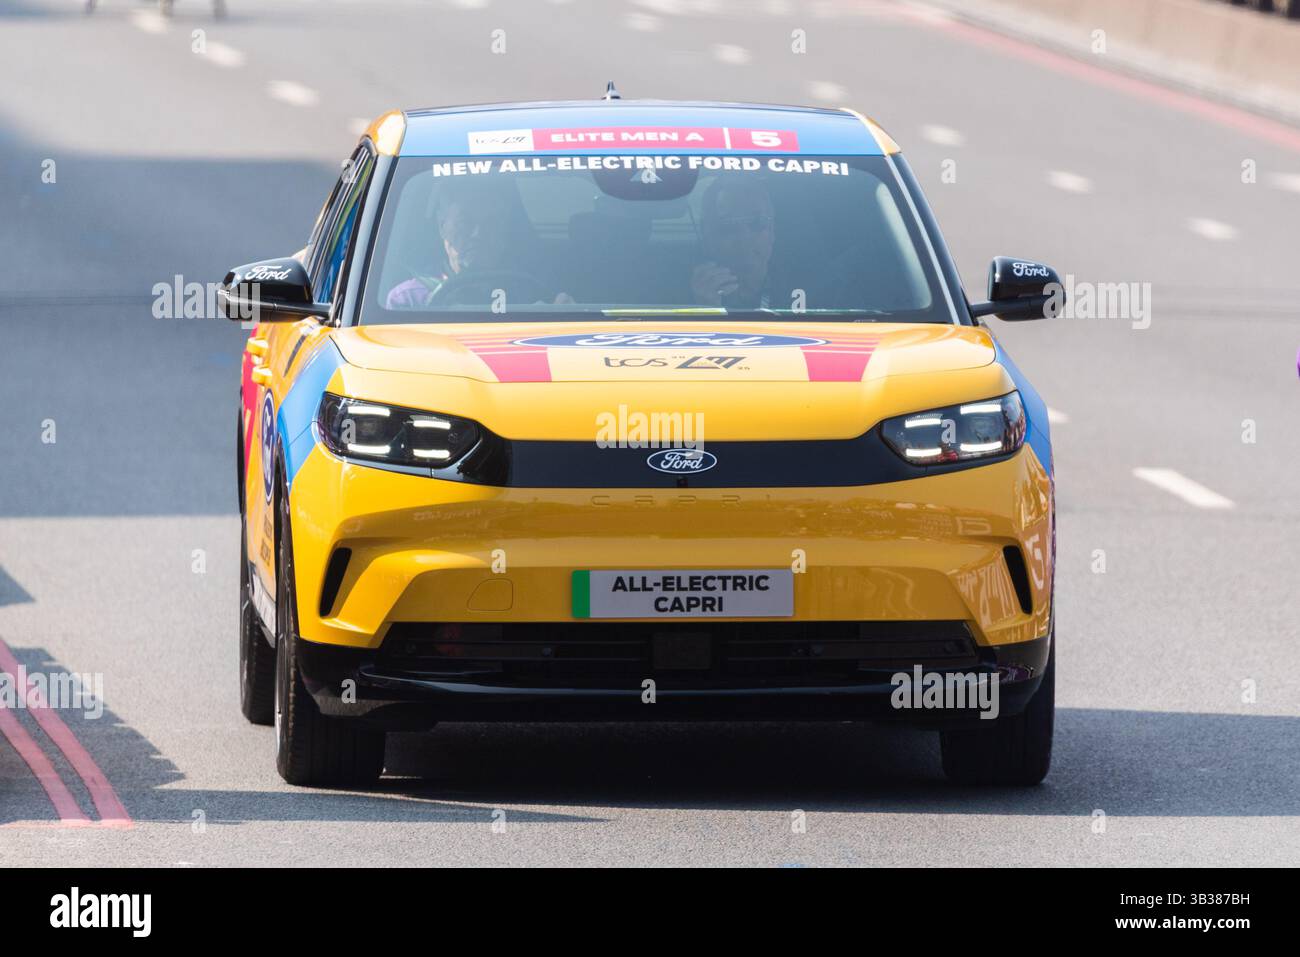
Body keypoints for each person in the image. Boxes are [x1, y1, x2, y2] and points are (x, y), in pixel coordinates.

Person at [689, 178, 776, 308]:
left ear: (771, 230)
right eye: (728, 225)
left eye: (757, 223)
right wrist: (705, 309)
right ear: (706, 234)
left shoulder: (807, 290)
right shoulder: (665, 300)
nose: (745, 237)